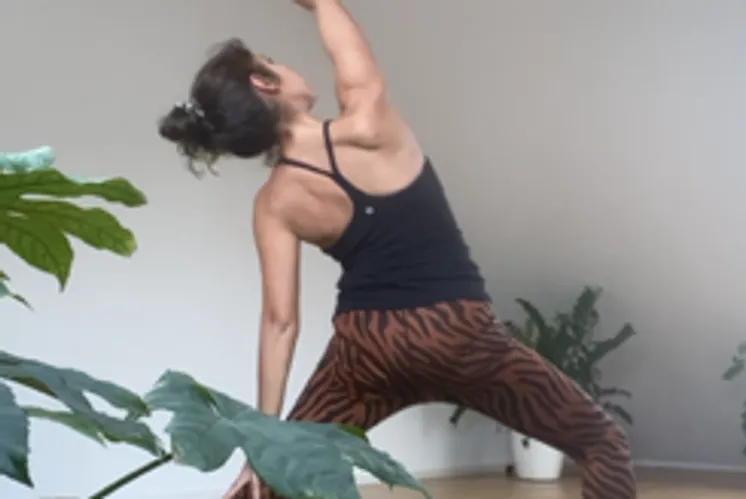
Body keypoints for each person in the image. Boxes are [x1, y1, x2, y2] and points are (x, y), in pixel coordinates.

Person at [157, 1, 636, 498]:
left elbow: (280, 323)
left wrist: (263, 442)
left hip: (367, 349)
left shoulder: (274, 202)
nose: (284, 65)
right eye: (272, 61)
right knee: (603, 442)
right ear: (264, 82)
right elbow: (333, 18)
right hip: (456, 333)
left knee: (276, 478)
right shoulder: (369, 125)